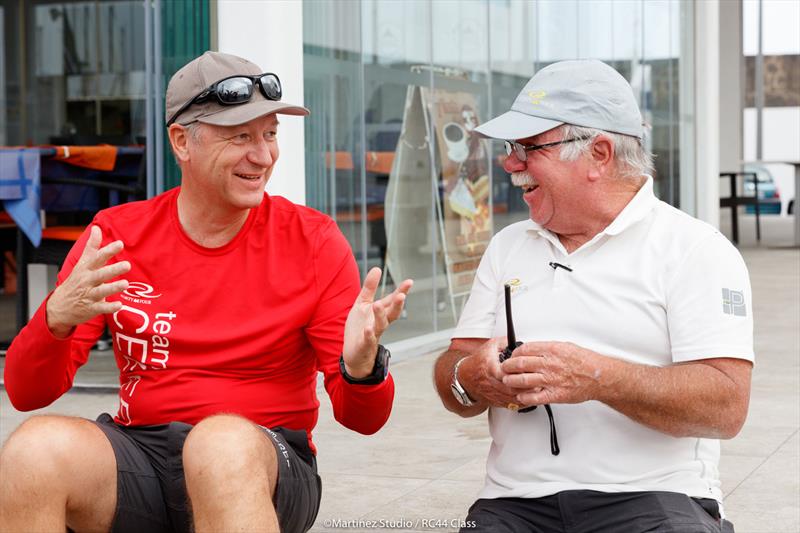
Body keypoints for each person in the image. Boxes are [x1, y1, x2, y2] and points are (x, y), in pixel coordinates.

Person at [1, 51, 412, 533]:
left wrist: (362, 369)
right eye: (241, 137)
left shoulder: (313, 241)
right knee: (33, 449)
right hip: (141, 457)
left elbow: (363, 419)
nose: (263, 156)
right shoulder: (115, 236)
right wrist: (57, 318)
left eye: (270, 134)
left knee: (218, 445)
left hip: (262, 459)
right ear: (181, 142)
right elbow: (29, 393)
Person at [433, 59, 752, 533]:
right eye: (510, 147)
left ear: (599, 153)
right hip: (514, 503)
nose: (510, 163)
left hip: (656, 497)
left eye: (528, 147)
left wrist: (598, 378)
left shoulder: (694, 250)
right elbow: (451, 380)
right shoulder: (507, 247)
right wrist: (472, 376)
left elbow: (726, 406)